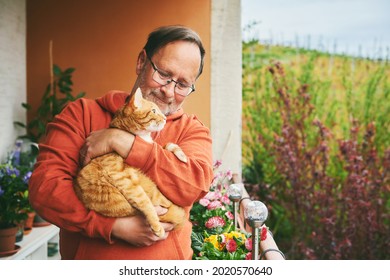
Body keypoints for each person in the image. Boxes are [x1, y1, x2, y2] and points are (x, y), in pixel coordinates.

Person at [28, 25, 213, 260]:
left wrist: (123, 142)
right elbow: (45, 189)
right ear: (141, 62)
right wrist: (112, 226)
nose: (169, 91)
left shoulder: (192, 130)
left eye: (183, 84)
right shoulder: (81, 114)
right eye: (164, 75)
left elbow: (193, 186)